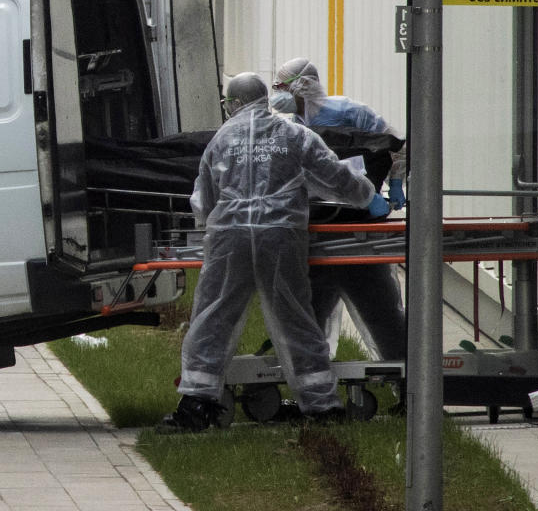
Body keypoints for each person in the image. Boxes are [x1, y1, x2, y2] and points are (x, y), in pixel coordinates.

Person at [156, 72, 388, 433]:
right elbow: (335, 177)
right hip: (281, 237)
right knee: (295, 318)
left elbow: (202, 202)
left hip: (229, 238)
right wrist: (368, 196)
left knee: (214, 317)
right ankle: (321, 405)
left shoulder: (221, 139)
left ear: (233, 103)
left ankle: (196, 404)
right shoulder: (294, 135)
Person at [272, 57, 407, 361]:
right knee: (310, 319)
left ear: (302, 86)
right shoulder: (292, 127)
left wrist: (396, 184)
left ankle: (405, 382)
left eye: (281, 87)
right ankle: (313, 386)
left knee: (381, 314)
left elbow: (396, 146)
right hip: (317, 230)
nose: (276, 93)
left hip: (356, 231)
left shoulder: (350, 112)